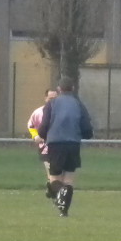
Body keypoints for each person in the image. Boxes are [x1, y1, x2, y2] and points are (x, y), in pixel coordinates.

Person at [36, 76, 94, 217]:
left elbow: (44, 125)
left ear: (59, 89)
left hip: (55, 144)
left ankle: (56, 193)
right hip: (73, 144)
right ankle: (64, 210)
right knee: (68, 179)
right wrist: (84, 135)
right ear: (72, 88)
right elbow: (87, 127)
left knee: (55, 178)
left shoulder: (52, 104)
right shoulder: (78, 104)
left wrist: (43, 135)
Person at [27, 88, 58, 198]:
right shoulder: (38, 112)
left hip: (60, 146)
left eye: (55, 98)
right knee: (51, 170)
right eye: (50, 98)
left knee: (59, 172)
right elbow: (31, 125)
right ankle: (54, 192)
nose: (52, 100)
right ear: (45, 98)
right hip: (45, 147)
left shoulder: (62, 112)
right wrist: (35, 136)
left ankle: (52, 188)